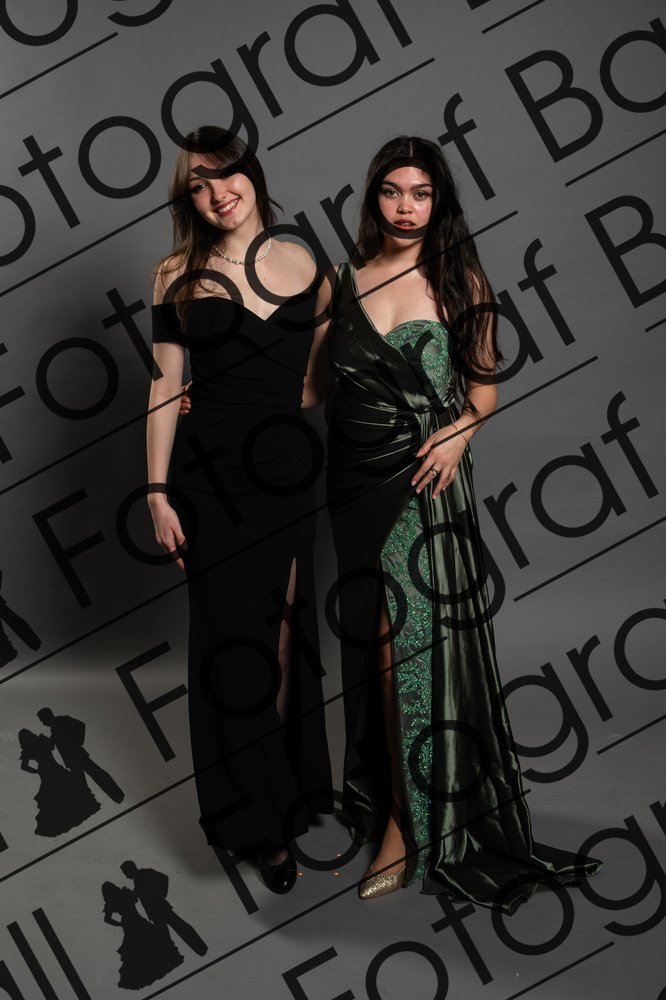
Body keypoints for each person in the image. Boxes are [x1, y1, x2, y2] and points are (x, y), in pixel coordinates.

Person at [312, 135, 601, 908]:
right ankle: (395, 794)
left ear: (438, 201)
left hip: (424, 479)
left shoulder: (458, 279)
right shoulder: (341, 280)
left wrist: (459, 434)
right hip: (352, 481)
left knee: (408, 644)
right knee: (371, 644)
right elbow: (309, 389)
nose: (405, 207)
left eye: (421, 193)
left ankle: (409, 824)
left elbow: (485, 389)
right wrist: (214, 399)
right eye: (392, 192)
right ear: (372, 197)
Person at [147, 125, 332, 894]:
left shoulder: (308, 261)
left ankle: (282, 794)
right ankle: (258, 823)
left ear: (252, 174)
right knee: (233, 649)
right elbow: (163, 385)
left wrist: (282, 403)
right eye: (198, 185)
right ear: (187, 200)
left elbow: (321, 370)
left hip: (285, 479)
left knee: (281, 646)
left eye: (226, 175)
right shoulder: (174, 275)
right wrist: (157, 491)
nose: (217, 193)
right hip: (209, 482)